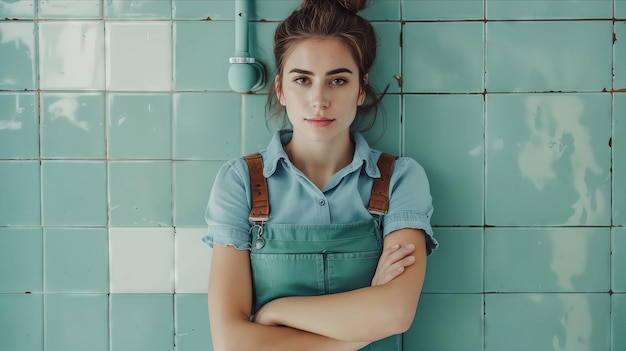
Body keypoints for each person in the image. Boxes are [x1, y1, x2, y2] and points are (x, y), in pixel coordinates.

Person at [203, 0, 438, 350]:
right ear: (281, 88)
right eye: (302, 79)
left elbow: (395, 314)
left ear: (360, 89)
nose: (319, 100)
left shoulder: (400, 179)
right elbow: (232, 342)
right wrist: (364, 320)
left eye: (338, 80)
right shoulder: (240, 182)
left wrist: (276, 312)